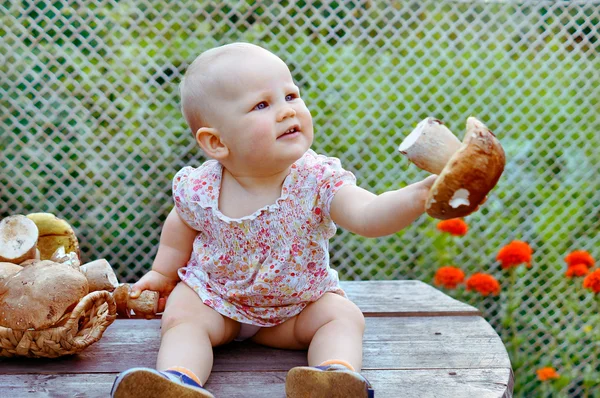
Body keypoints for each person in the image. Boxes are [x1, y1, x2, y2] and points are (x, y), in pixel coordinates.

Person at [111, 42, 437, 398]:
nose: (287, 111)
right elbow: (180, 227)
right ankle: (177, 381)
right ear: (216, 142)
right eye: (262, 105)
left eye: (291, 95)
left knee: (342, 316)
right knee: (182, 315)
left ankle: (333, 378)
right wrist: (162, 274)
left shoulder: (317, 179)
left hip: (296, 308)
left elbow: (367, 216)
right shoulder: (199, 186)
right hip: (217, 302)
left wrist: (419, 196)